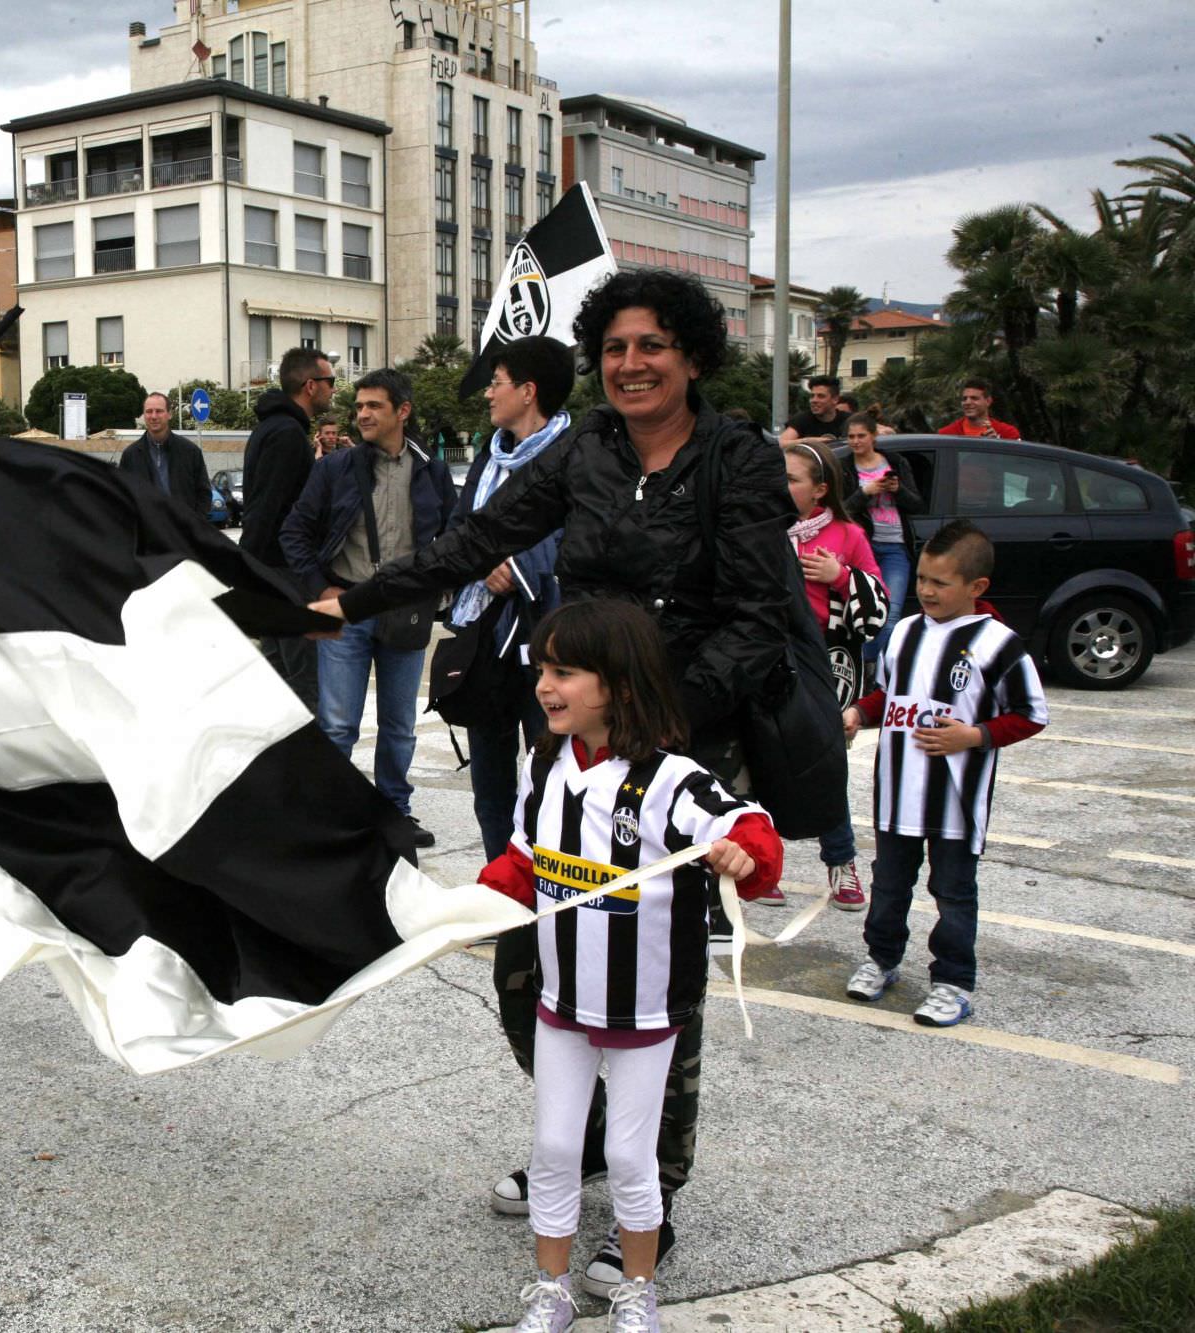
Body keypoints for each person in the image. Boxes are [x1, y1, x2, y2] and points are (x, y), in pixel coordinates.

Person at [313, 269, 796, 1292]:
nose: (629, 364)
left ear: (693, 355)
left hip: (678, 747)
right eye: (614, 347)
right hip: (571, 739)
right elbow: (473, 543)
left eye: (651, 345)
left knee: (655, 980)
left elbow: (758, 618)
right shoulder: (583, 453)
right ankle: (575, 1140)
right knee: (526, 968)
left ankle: (646, 1195)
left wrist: (654, 727)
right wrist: (353, 600)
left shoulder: (737, 462)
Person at [476, 600, 780, 1333]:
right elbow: (525, 859)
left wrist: (747, 854)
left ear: (617, 683)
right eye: (542, 669)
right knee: (553, 1146)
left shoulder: (671, 778)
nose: (546, 685)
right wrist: (471, 906)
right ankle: (550, 1290)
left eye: (565, 671)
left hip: (645, 1011)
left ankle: (636, 1290)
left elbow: (747, 825)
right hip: (563, 1001)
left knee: (629, 1153)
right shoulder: (543, 762)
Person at [842, 521, 1046, 1027]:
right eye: (923, 580)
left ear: (976, 588)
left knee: (953, 892)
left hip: (954, 804)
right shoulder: (905, 632)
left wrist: (972, 736)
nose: (928, 591)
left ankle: (953, 981)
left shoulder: (998, 643)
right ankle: (882, 959)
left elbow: (1030, 713)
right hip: (895, 796)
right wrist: (860, 714)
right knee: (889, 885)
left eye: (941, 582)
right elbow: (888, 693)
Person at [281, 368, 455, 848]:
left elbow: (454, 537)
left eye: (373, 406)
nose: (362, 415)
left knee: (400, 725)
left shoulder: (430, 469)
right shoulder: (336, 468)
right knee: (338, 724)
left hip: (406, 609)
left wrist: (440, 587)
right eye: (358, 406)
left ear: (403, 411)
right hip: (348, 607)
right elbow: (293, 533)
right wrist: (321, 589)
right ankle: (332, 815)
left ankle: (394, 810)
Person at [450, 336, 573, 862]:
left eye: (495, 384)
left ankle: (553, 883)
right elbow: (459, 529)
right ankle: (502, 881)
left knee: (555, 774)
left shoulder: (576, 455)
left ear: (528, 391)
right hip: (485, 637)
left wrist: (521, 566)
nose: (487, 395)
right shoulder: (488, 456)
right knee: (491, 779)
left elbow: (583, 536)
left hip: (553, 640)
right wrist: (480, 562)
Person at [783, 440, 885, 911]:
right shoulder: (764, 530)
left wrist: (839, 575)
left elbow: (877, 608)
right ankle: (764, 864)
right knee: (765, 758)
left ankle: (842, 862)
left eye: (791, 479)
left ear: (820, 490)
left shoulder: (848, 535)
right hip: (770, 657)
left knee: (827, 765)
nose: (780, 487)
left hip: (826, 664)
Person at [242, 347, 338, 706]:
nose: (333, 389)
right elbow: (267, 506)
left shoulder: (274, 428)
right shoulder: (286, 435)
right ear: (310, 386)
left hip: (272, 571)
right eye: (329, 382)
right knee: (301, 681)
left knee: (277, 674)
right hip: (284, 573)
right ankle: (303, 758)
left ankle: (279, 757)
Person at [838, 413, 926, 665]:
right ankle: (865, 668)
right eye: (851, 437)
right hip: (861, 546)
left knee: (890, 613)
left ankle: (879, 671)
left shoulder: (895, 462)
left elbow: (917, 504)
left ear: (873, 436)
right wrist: (865, 492)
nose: (855, 442)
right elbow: (840, 508)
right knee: (861, 611)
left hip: (895, 546)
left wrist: (897, 490)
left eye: (861, 436)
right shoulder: (844, 467)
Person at [116, 392, 210, 518]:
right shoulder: (130, 456)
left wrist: (195, 527)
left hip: (182, 533)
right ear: (144, 415)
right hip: (147, 534)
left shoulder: (190, 452)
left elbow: (204, 494)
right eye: (149, 411)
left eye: (159, 411)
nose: (153, 416)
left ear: (169, 414)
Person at [936, 378, 1021, 439]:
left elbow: (1017, 462)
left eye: (974, 398)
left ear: (988, 401)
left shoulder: (1007, 433)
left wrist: (998, 445)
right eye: (964, 399)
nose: (967, 402)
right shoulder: (946, 434)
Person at [779, 374, 844, 442]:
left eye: (821, 396)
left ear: (835, 399)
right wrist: (810, 441)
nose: (814, 400)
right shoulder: (802, 419)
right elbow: (783, 442)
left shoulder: (848, 421)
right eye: (812, 396)